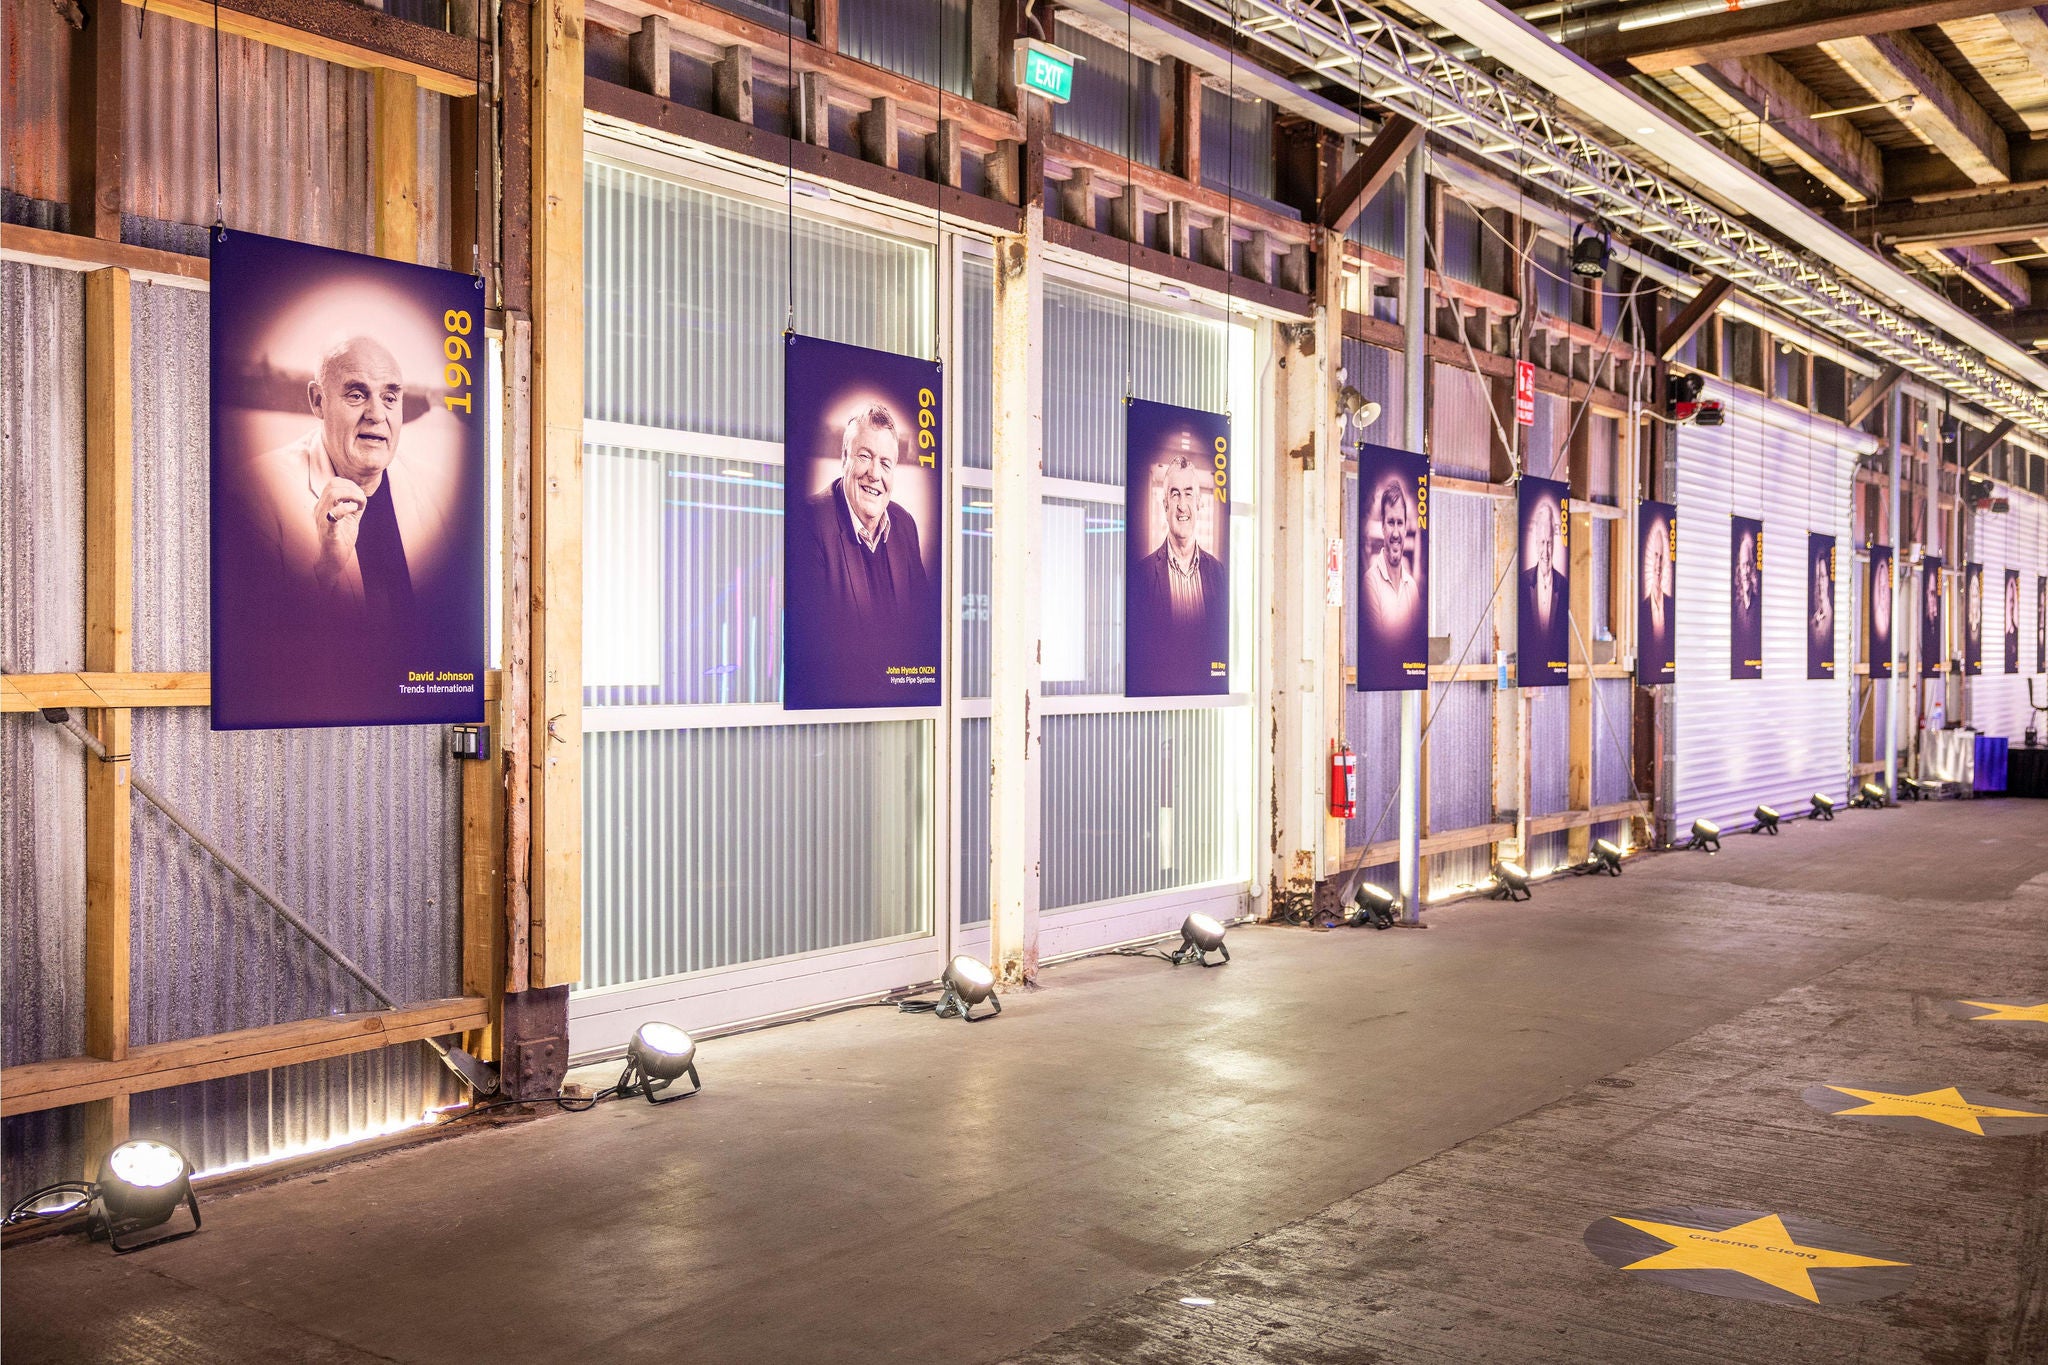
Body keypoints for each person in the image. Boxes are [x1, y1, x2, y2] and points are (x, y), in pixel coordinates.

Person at [232, 335, 462, 627]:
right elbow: (261, 645)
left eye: (389, 398)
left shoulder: (438, 490)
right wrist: (324, 571)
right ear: (318, 401)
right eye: (356, 395)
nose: (377, 415)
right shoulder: (256, 492)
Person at [793, 403, 934, 687]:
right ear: (844, 458)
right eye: (864, 456)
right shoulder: (809, 522)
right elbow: (815, 643)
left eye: (885, 463)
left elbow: (923, 626)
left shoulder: (904, 524)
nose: (874, 474)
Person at [1131, 456, 1227, 693]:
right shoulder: (1141, 575)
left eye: (1188, 494)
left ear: (1199, 503)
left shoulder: (1218, 573)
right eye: (1174, 494)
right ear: (1165, 505)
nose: (1182, 505)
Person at [1364, 479, 1420, 628]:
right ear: (1382, 526)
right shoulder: (1370, 582)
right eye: (1390, 522)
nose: (1396, 533)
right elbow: (1376, 642)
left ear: (1405, 528)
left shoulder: (1412, 587)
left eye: (1400, 523)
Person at [1523, 499, 1563, 635]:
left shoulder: (1564, 585)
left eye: (1549, 543)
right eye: (1542, 542)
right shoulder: (1522, 582)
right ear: (1535, 542)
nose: (1545, 551)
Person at [1641, 517, 1670, 639]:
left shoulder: (1670, 605)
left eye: (1661, 557)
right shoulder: (1642, 608)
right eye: (1656, 555)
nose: (1658, 563)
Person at [1810, 551, 1832, 642]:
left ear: (1827, 581)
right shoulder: (1811, 621)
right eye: (1818, 577)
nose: (1820, 582)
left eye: (1822, 576)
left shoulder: (1831, 617)